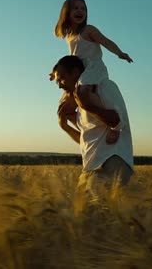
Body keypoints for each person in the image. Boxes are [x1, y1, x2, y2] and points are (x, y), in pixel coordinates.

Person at [51, 0, 133, 144]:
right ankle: (85, 129)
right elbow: (72, 57)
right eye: (76, 8)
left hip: (94, 68)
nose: (80, 11)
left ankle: (114, 126)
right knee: (64, 105)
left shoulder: (89, 30)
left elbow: (106, 41)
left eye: (83, 8)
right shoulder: (69, 36)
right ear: (67, 13)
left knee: (83, 92)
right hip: (80, 69)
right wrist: (56, 71)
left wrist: (119, 53)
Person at [52, 55, 133, 200]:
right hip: (91, 167)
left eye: (62, 78)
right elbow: (87, 141)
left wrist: (88, 106)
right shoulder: (80, 104)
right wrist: (66, 125)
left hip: (111, 161)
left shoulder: (104, 86)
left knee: (98, 214)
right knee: (83, 214)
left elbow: (117, 121)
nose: (59, 85)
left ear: (76, 72)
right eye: (57, 81)